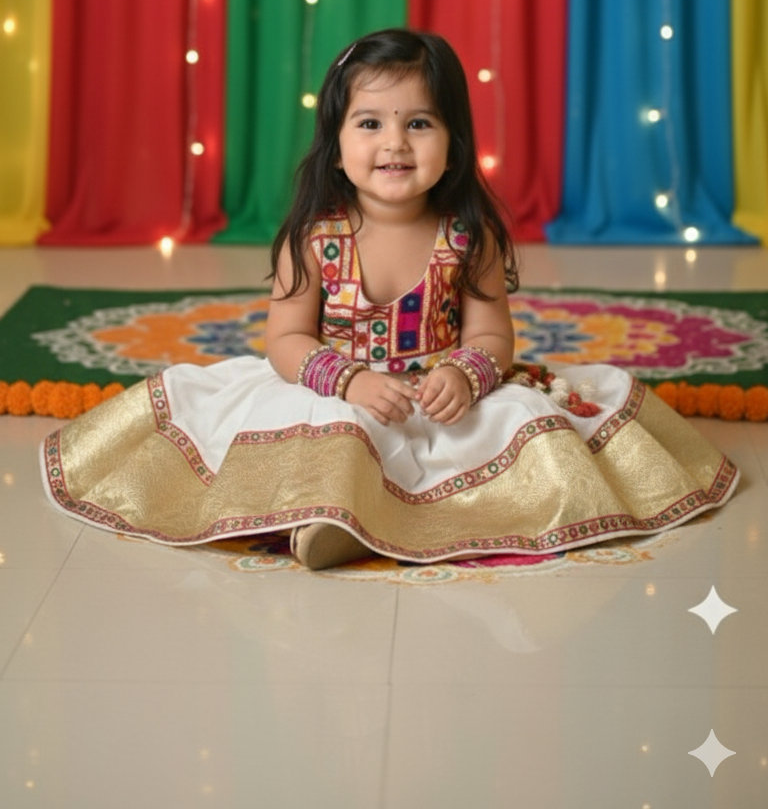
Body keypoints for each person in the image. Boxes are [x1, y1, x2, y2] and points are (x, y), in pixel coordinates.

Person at [41, 28, 739, 569]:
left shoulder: (470, 238)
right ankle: (325, 521)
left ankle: (394, 521)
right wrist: (349, 379)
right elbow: (284, 341)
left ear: (453, 141)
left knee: (517, 430)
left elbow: (494, 334)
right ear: (337, 144)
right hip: (338, 389)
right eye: (370, 123)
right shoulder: (313, 239)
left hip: (438, 392)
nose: (395, 143)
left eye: (420, 124)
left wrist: (465, 373)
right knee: (337, 436)